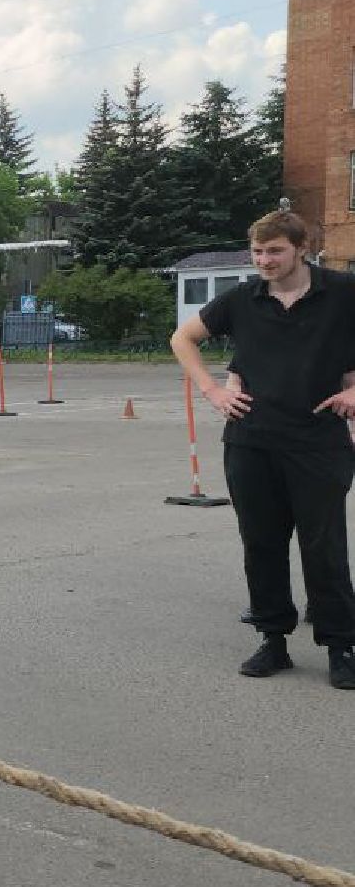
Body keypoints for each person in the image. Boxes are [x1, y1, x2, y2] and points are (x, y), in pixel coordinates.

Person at [169, 209, 355, 689]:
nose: (264, 261)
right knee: (262, 543)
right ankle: (273, 640)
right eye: (258, 251)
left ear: (301, 249)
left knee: (324, 546)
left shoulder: (342, 292)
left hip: (318, 440)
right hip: (251, 441)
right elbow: (183, 338)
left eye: (275, 251)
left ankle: (341, 646)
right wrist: (213, 391)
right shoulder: (242, 300)